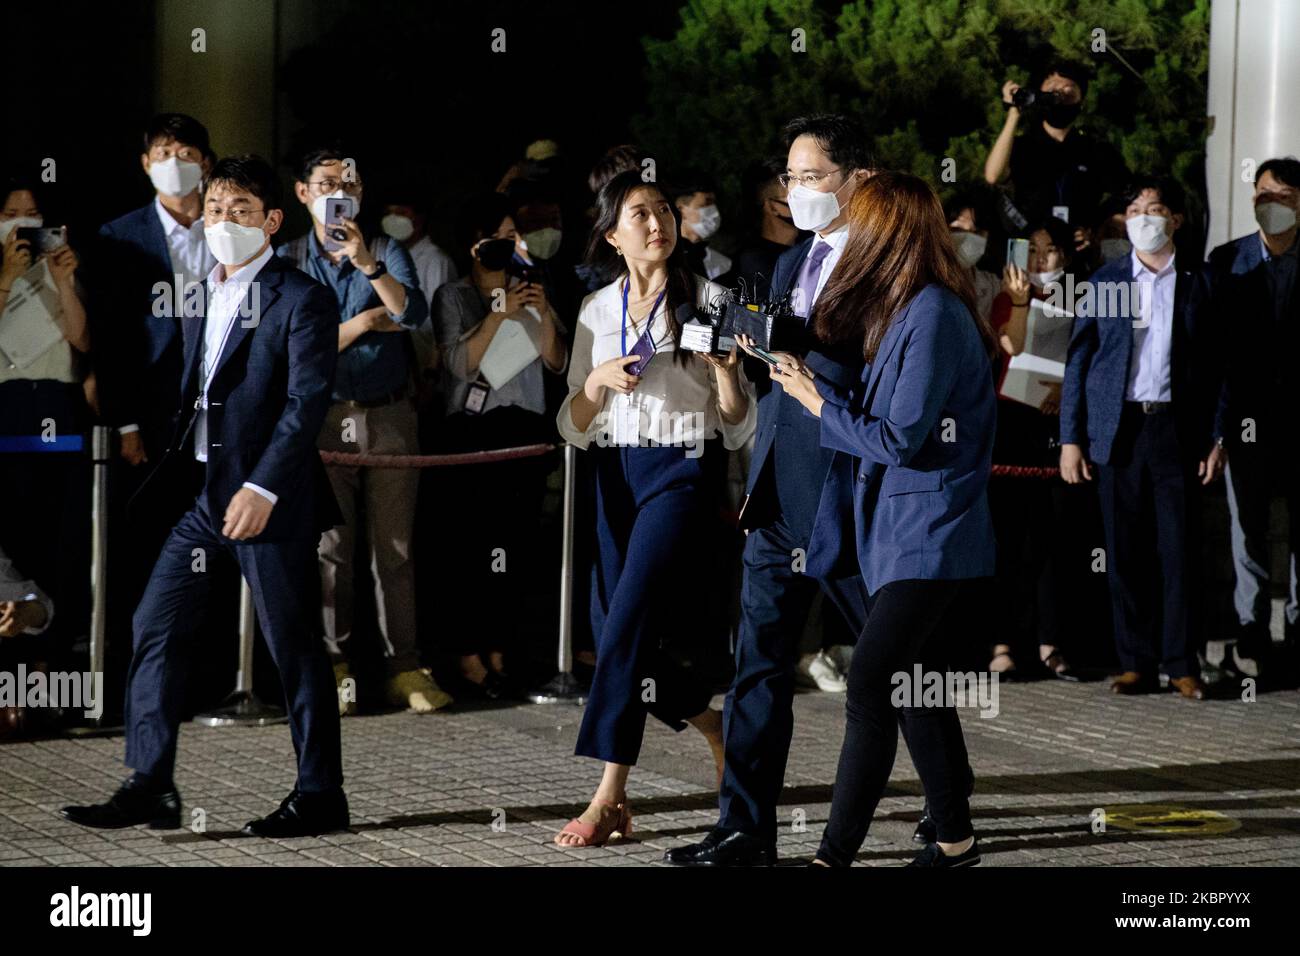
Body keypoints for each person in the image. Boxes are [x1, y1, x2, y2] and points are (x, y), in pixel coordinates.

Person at [61, 155, 349, 836]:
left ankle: (320, 795)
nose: (224, 220)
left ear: (273, 221)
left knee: (294, 647)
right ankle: (150, 782)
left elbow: (305, 403)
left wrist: (262, 486)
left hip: (267, 502)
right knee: (154, 625)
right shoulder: (199, 290)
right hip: (201, 499)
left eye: (241, 209)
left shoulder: (301, 298)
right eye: (216, 208)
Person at [666, 115, 907, 868]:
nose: (795, 191)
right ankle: (743, 828)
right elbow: (772, 379)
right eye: (790, 179)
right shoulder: (788, 260)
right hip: (774, 499)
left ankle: (949, 804)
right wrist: (736, 359)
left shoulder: (889, 266)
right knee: (758, 668)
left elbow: (887, 377)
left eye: (811, 177)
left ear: (858, 181)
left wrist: (806, 350)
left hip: (847, 497)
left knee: (892, 666)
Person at [771, 170, 998, 867]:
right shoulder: (905, 310)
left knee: (872, 683)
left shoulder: (932, 312)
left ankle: (832, 856)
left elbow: (899, 437)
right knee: (913, 686)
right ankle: (955, 838)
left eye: (861, 224)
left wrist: (816, 403)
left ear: (888, 234)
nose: (850, 237)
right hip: (899, 534)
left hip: (930, 532)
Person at [554, 169, 755, 847]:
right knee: (613, 621)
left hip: (683, 469)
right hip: (615, 471)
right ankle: (705, 718)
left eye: (663, 210)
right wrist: (595, 383)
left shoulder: (713, 297)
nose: (656, 222)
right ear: (613, 235)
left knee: (628, 619)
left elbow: (737, 423)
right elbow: (573, 425)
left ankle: (609, 794)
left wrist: (727, 373)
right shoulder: (595, 311)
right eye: (639, 214)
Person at [280, 147, 451, 716]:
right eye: (327, 183)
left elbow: (411, 314)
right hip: (325, 416)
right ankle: (337, 666)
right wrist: (360, 322)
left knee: (396, 550)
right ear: (303, 193)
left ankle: (406, 666)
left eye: (349, 185)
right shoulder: (287, 258)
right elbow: (295, 348)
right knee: (332, 549)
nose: (340, 194)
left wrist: (368, 268)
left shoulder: (383, 249)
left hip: (390, 413)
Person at [1060, 176, 1227, 700]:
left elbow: (1225, 367)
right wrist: (1071, 437)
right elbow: (1081, 360)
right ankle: (1135, 661)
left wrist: (1221, 436)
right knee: (1123, 550)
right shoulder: (1106, 280)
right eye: (1134, 209)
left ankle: (1181, 662)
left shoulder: (1203, 280)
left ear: (1176, 219)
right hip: (1119, 428)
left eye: (1155, 208)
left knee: (1178, 551)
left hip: (1178, 429)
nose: (1144, 217)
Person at [430, 193, 567, 696]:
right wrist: (495, 313)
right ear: (474, 244)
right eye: (500, 238)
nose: (510, 246)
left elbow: (556, 362)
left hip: (524, 434)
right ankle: (469, 655)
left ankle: (505, 651)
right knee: (471, 550)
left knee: (515, 549)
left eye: (515, 238)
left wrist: (543, 310)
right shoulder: (454, 296)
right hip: (473, 433)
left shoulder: (532, 288)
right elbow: (458, 368)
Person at [1208, 156, 1300, 674]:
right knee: (1249, 529)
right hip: (1246, 421)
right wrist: (1218, 432)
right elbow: (1214, 356)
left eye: (1284, 198)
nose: (1273, 206)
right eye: (1264, 195)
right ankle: (1253, 630)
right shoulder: (1226, 262)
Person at [0, 181, 92, 653]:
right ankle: (15, 655)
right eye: (11, 211)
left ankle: (56, 655)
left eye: (32, 212)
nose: (22, 221)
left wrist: (62, 282)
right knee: (14, 539)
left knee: (63, 540)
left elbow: (82, 340)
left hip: (58, 408)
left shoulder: (58, 265)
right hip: (8, 411)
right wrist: (5, 278)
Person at [986, 218, 1079, 679]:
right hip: (1012, 425)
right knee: (1009, 540)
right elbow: (1010, 344)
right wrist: (1021, 302)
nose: (1043, 259)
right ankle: (1002, 643)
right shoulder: (1008, 296)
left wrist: (1068, 392)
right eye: (1034, 250)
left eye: (1052, 249)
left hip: (1059, 426)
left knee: (1053, 540)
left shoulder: (1083, 297)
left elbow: (1089, 357)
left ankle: (1050, 642)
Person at [983, 60, 1129, 251]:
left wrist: (1096, 231)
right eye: (1052, 89)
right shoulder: (1023, 145)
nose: (1059, 94)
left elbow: (1126, 195)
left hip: (1075, 251)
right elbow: (993, 175)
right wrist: (1014, 112)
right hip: (1025, 245)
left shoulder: (1096, 149)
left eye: (1068, 90)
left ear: (1081, 101)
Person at [379, 190, 458, 388]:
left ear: (420, 218)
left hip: (427, 373)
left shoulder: (435, 261)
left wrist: (431, 374)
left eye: (401, 213)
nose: (393, 219)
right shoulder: (385, 257)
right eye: (389, 213)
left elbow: (443, 325)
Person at [733, 157, 802, 302]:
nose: (806, 202)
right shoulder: (754, 261)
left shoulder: (809, 246)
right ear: (772, 207)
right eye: (796, 197)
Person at [672, 171, 733, 283]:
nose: (714, 212)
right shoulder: (667, 263)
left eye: (714, 203)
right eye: (706, 204)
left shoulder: (723, 264)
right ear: (681, 211)